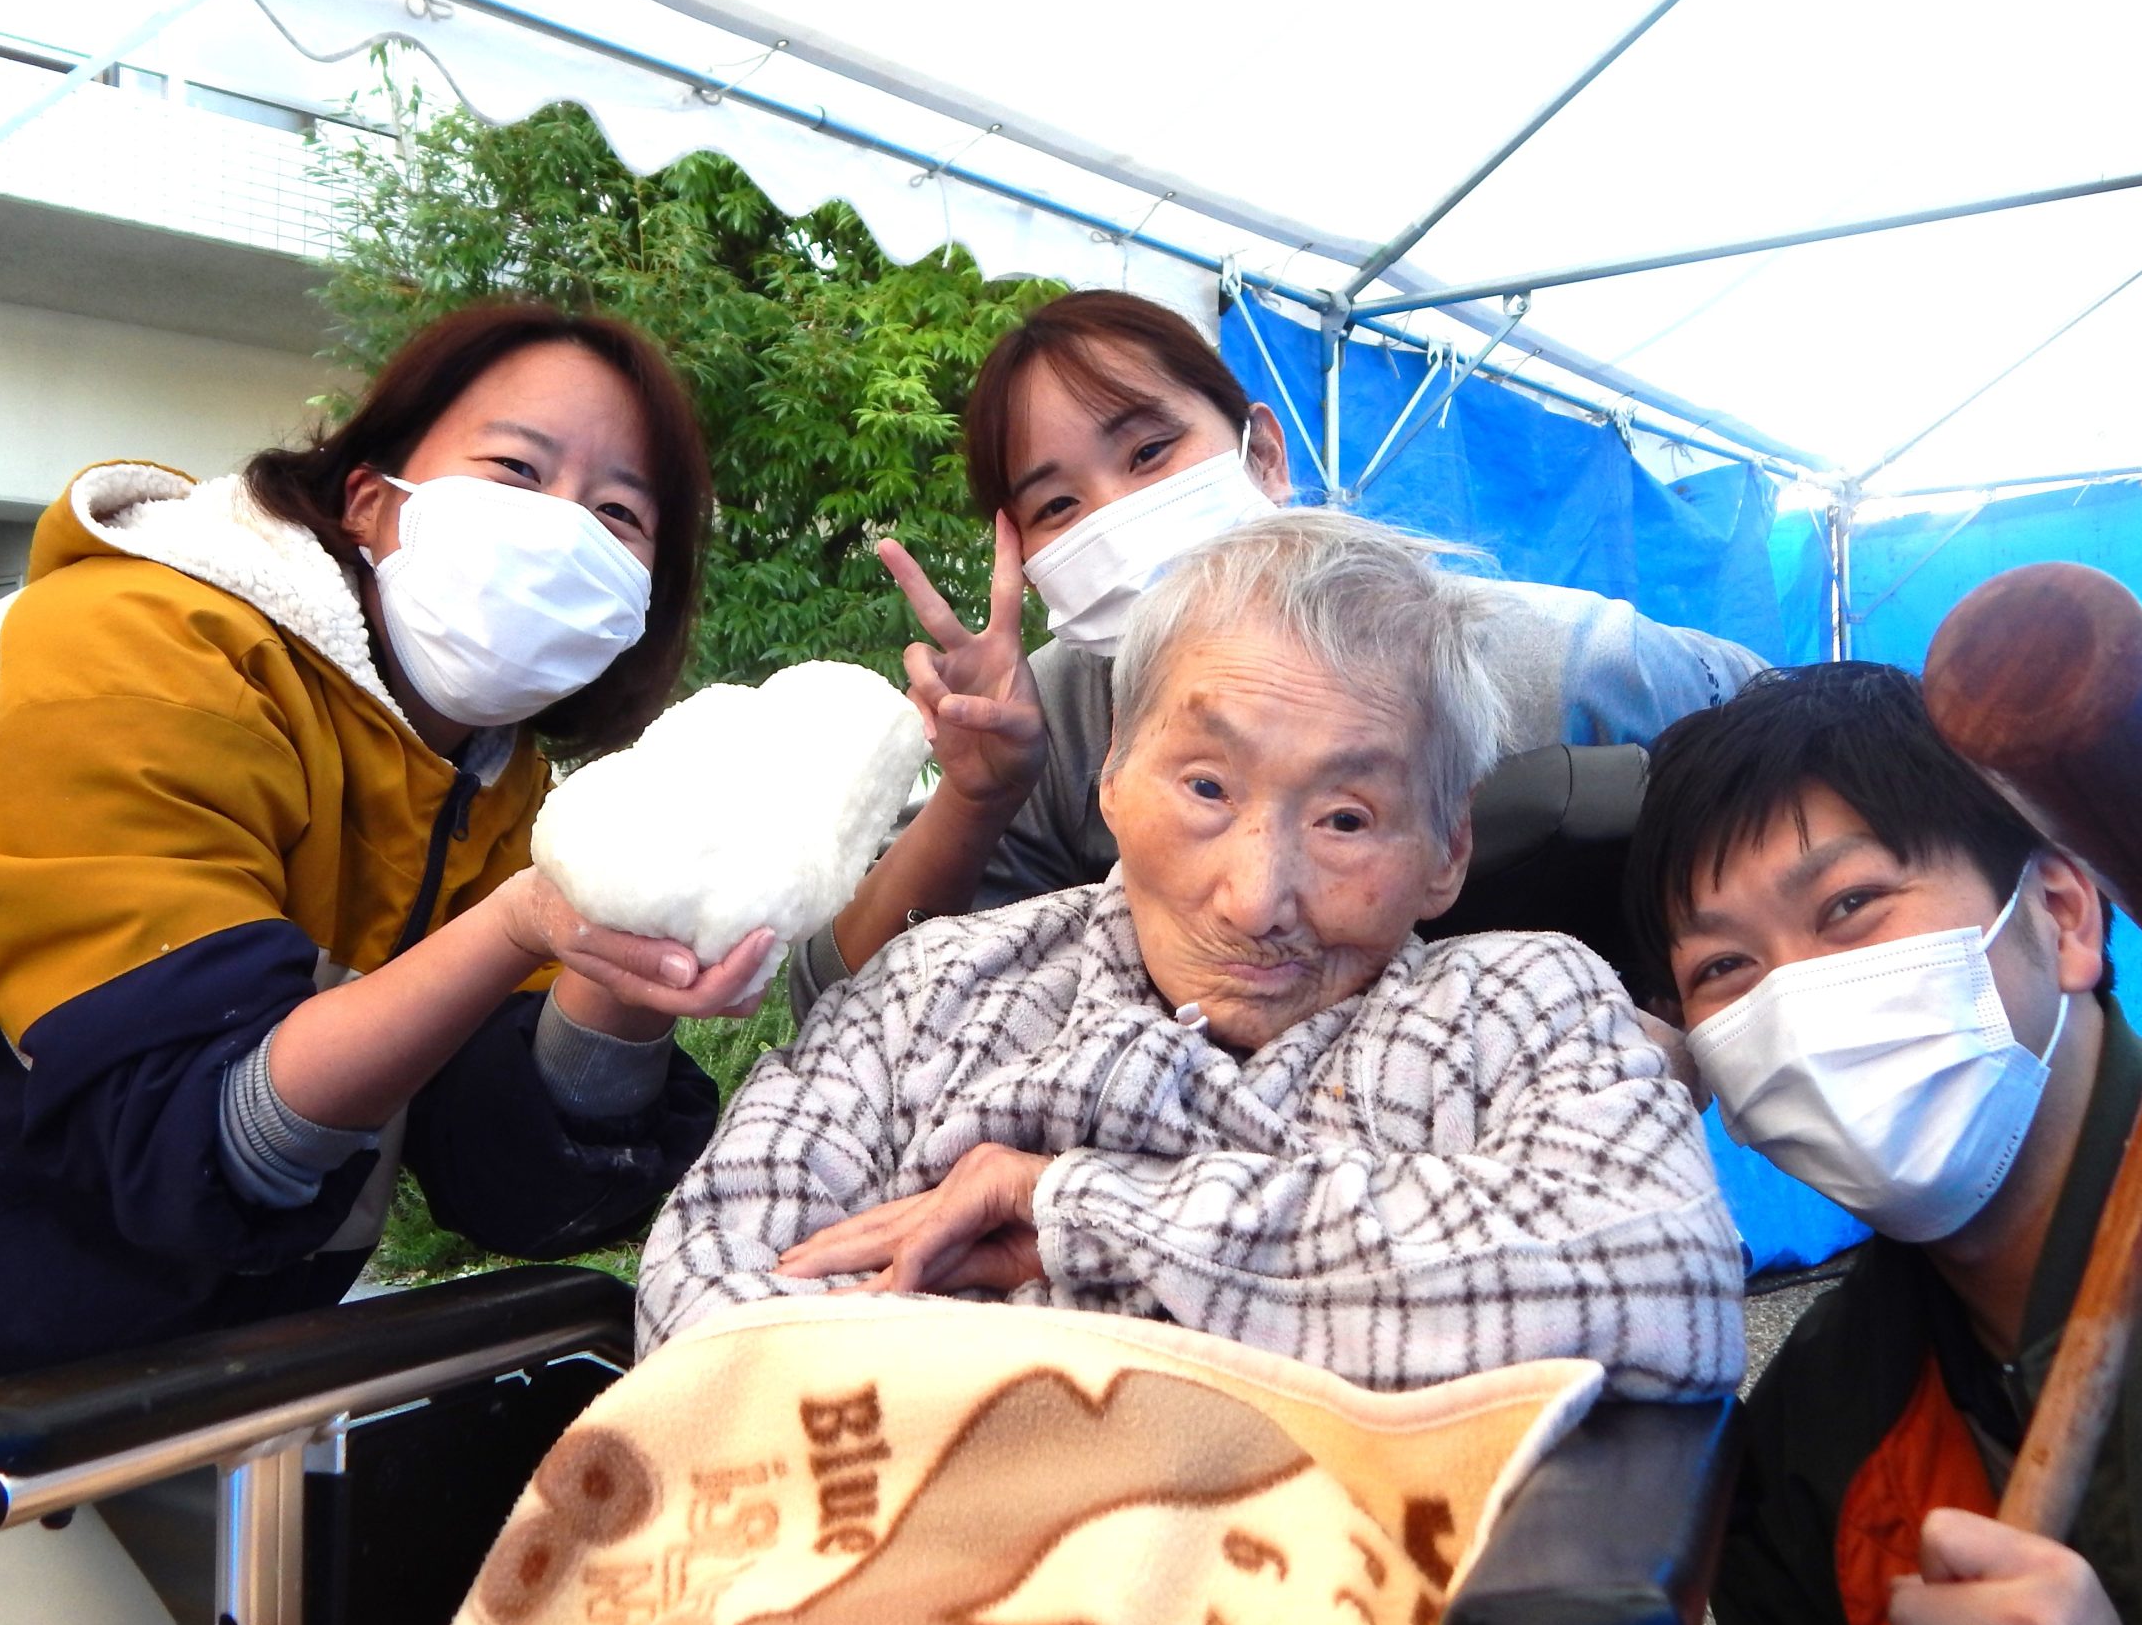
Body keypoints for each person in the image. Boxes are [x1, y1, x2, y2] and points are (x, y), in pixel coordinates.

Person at [0, 302, 775, 1625]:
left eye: (620, 512)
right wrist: (520, 932)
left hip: (114, 1348)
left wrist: (614, 977)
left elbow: (515, 1178)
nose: (566, 531)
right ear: (374, 502)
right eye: (518, 471)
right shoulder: (124, 655)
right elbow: (202, 1133)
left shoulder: (490, 791)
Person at [640, 509, 1745, 1399]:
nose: (1259, 897)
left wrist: (1077, 1216)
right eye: (1208, 788)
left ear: (1447, 850)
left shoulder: (1524, 1004)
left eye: (1348, 818)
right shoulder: (931, 993)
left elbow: (1660, 1274)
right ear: (1111, 776)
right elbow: (702, 1300)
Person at [1621, 662, 2142, 1625]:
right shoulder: (1822, 1411)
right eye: (1723, 967)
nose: (1791, 1002)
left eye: (1849, 907)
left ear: (2063, 914)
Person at [789, 287, 1765, 1019]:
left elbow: (1789, 740)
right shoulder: (1041, 721)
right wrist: (976, 794)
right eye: (1057, 506)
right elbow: (837, 1001)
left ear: (1262, 453)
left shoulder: (1536, 656)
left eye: (1147, 454)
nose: (1116, 516)